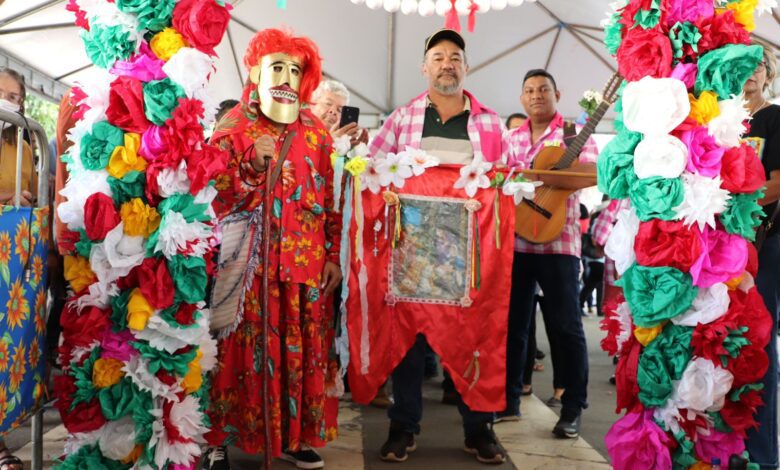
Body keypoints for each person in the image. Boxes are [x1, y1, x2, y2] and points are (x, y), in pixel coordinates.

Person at [204, 28, 342, 470]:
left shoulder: (317, 132)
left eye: (294, 69)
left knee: (299, 352)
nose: (285, 76)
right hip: (247, 267)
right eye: (276, 66)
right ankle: (218, 440)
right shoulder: (233, 127)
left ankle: (295, 437)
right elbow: (210, 196)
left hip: (304, 266)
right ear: (257, 70)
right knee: (235, 352)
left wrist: (333, 254)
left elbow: (329, 198)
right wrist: (247, 165)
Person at [369, 29, 508, 464]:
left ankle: (478, 428)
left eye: (455, 57)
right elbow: (374, 169)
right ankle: (402, 427)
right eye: (438, 56)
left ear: (466, 67)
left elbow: (504, 182)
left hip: (471, 255)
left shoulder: (489, 122)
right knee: (409, 341)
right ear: (424, 67)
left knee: (474, 338)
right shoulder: (400, 118)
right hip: (411, 250)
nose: (447, 63)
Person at [504, 68, 597, 439]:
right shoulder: (510, 136)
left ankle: (572, 407)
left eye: (543, 89)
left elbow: (589, 174)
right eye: (529, 90)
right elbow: (501, 177)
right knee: (512, 326)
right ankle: (507, 398)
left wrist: (537, 178)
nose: (536, 95)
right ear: (522, 98)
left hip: (560, 245)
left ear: (557, 93)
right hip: (516, 240)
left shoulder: (574, 134)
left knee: (566, 326)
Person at [743, 41, 780, 470]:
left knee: (760, 347)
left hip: (763, 247)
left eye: (758, 67)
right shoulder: (718, 122)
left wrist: (733, 204)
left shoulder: (773, 118)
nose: (749, 74)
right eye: (741, 68)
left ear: (768, 75)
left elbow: (777, 182)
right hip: (717, 251)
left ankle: (763, 457)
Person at [0, 66, 35, 470]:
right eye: (4, 94)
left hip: (10, 252)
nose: (11, 102)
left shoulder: (24, 139)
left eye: (16, 96)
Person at [309, 79, 368, 146]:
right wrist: (331, 141)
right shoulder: (298, 131)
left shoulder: (344, 143)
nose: (333, 111)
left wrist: (353, 152)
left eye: (339, 110)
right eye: (328, 103)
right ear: (312, 104)